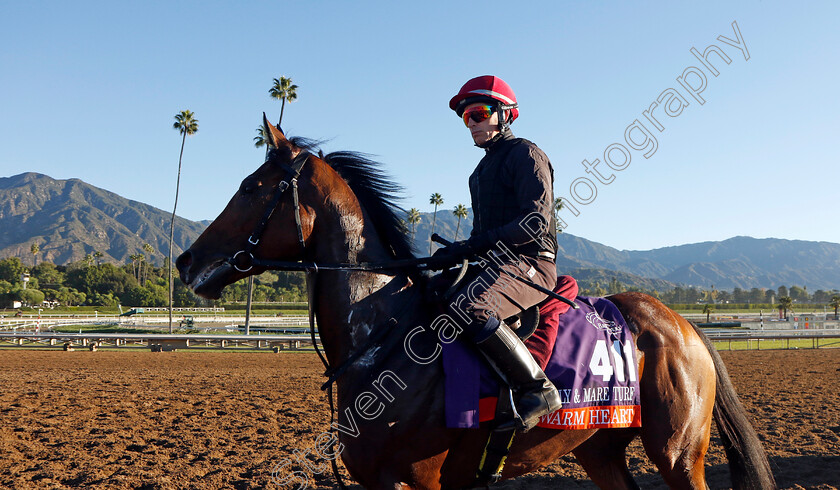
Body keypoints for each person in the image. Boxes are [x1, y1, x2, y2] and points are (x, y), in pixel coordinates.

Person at [434, 75, 561, 431]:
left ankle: (537, 388)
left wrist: (474, 244)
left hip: (532, 264)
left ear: (505, 114)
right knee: (430, 293)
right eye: (466, 118)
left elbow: (534, 224)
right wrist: (457, 253)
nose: (472, 123)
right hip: (496, 265)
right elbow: (481, 236)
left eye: (479, 113)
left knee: (473, 308)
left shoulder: (526, 153)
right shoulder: (479, 172)